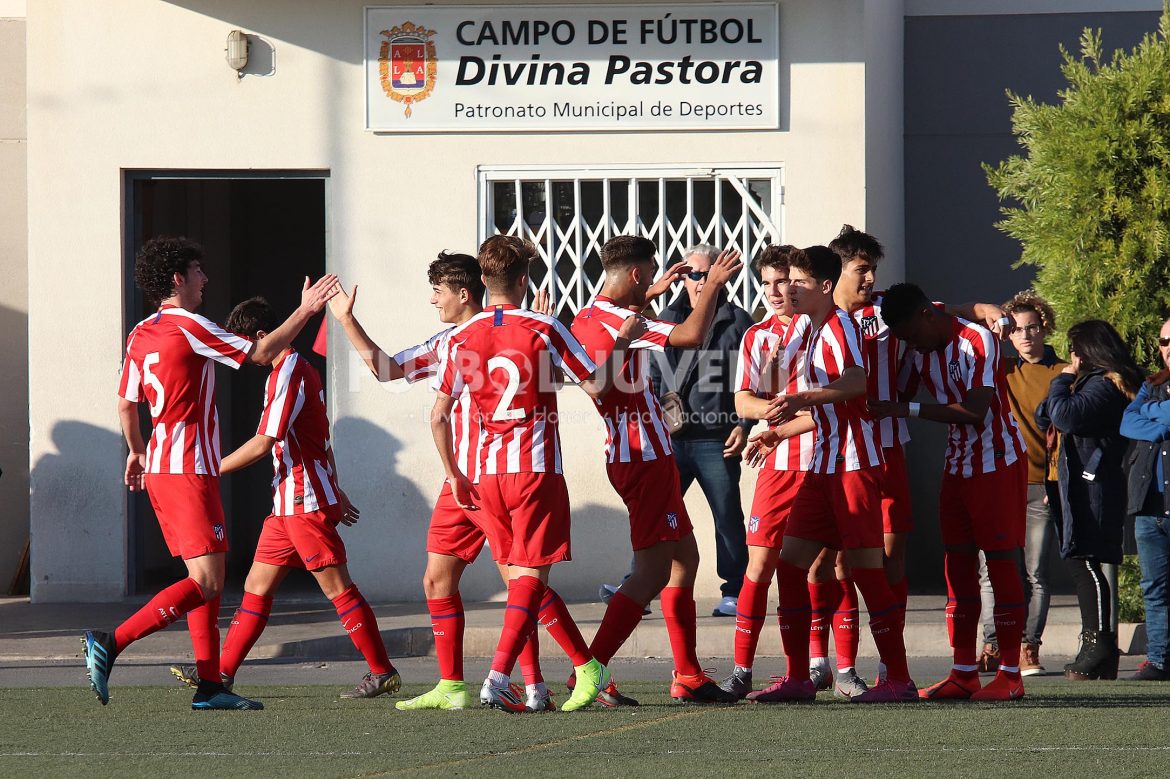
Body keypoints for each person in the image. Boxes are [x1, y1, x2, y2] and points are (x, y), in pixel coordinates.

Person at [87, 236, 338, 710]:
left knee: (209, 580)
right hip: (188, 471)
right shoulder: (191, 326)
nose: (205, 279)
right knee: (204, 582)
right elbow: (261, 353)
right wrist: (305, 311)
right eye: (198, 270)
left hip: (163, 469)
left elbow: (126, 403)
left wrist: (138, 452)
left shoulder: (140, 332)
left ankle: (210, 686)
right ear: (178, 278)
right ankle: (111, 642)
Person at [328, 252, 581, 712]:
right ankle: (452, 684)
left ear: (465, 293)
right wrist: (347, 321)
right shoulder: (447, 342)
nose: (432, 300)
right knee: (437, 578)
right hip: (458, 481)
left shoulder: (495, 333)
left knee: (523, 582)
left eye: (438, 292)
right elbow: (389, 372)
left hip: (490, 478)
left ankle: (552, 678)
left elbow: (552, 381)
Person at [432, 235, 646, 712]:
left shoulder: (460, 337)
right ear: (525, 281)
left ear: (483, 283)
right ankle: (497, 677)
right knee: (530, 578)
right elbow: (595, 382)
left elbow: (439, 414)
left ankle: (578, 672)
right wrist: (624, 341)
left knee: (526, 581)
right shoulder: (543, 326)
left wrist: (453, 474)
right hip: (535, 468)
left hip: (486, 473)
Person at [169, 297, 401, 699]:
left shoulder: (288, 371)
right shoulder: (291, 370)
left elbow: (264, 443)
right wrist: (335, 485)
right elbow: (320, 438)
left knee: (338, 590)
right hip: (289, 502)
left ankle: (382, 671)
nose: (245, 356)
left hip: (303, 501)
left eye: (247, 345)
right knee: (257, 587)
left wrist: (209, 468)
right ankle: (221, 674)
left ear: (263, 337)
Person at [740, 246, 915, 703]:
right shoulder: (809, 330)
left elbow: (857, 384)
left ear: (821, 286)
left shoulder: (841, 327)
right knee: (789, 564)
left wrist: (804, 398)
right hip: (822, 467)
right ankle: (799, 677)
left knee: (865, 571)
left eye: (796, 281)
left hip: (854, 466)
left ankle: (898, 678)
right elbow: (811, 406)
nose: (787, 288)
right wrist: (779, 431)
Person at [571, 235, 742, 704]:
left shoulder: (588, 314)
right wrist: (713, 288)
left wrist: (650, 292)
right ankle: (589, 671)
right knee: (650, 573)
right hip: (642, 457)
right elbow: (688, 336)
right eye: (649, 274)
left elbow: (609, 336)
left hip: (640, 453)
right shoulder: (623, 322)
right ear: (636, 274)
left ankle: (686, 674)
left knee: (684, 560)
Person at [718, 245, 868, 700]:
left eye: (784, 281)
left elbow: (847, 393)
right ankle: (745, 669)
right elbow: (747, 398)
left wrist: (786, 417)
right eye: (765, 283)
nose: (775, 292)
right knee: (761, 565)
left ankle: (838, 668)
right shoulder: (766, 337)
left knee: (834, 566)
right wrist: (773, 418)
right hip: (780, 469)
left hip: (830, 461)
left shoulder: (829, 326)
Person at [875, 282, 1027, 701]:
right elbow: (961, 306)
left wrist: (906, 409)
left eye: (910, 335)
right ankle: (963, 673)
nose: (910, 345)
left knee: (1000, 563)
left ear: (926, 316)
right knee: (957, 568)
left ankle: (1011, 674)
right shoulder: (925, 329)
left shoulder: (977, 340)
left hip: (997, 461)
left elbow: (976, 413)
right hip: (957, 466)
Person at [647, 244, 755, 617]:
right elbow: (654, 372)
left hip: (717, 437)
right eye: (692, 274)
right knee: (657, 515)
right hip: (674, 439)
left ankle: (735, 590)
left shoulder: (738, 321)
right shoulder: (668, 316)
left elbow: (755, 379)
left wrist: (745, 424)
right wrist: (660, 410)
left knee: (727, 516)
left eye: (705, 274)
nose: (698, 281)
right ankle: (639, 586)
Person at [1038, 320, 1142, 680]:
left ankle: (1099, 644)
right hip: (1076, 483)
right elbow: (1045, 413)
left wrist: (1063, 380)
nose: (1072, 356)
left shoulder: (1105, 384)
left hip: (1093, 484)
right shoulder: (1092, 383)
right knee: (1080, 560)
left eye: (1075, 348)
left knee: (1086, 561)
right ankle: (1096, 647)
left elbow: (1064, 414)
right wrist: (1062, 390)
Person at [987, 292, 1067, 676]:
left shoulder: (1064, 372)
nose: (1024, 336)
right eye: (1016, 329)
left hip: (1042, 485)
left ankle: (1028, 646)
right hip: (1001, 482)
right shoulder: (1000, 368)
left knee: (1036, 572)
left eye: (1031, 328)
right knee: (993, 568)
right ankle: (991, 642)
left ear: (1044, 327)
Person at [1121, 316, 1170, 682]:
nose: (1169, 348)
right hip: (1149, 506)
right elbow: (1126, 423)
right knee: (1154, 589)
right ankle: (1160, 660)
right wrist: (1158, 415)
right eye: (1165, 342)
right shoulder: (1152, 385)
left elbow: (1142, 419)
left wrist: (1148, 415)